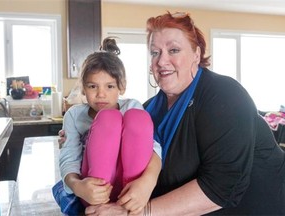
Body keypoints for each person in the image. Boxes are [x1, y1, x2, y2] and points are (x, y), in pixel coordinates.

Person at [85, 11, 285, 215]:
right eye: (155, 53)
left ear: (196, 55)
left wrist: (138, 212)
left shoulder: (224, 95)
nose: (161, 61)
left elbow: (222, 188)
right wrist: (84, 136)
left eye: (173, 50)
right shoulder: (147, 109)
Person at [56, 37, 162, 215]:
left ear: (122, 87)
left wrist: (147, 182)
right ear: (83, 88)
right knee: (108, 119)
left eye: (110, 86)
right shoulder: (74, 115)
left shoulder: (132, 106)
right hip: (93, 191)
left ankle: (130, 201)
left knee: (137, 118)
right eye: (92, 86)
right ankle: (101, 207)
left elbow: (153, 148)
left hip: (132, 188)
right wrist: (77, 186)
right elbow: (68, 157)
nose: (101, 94)